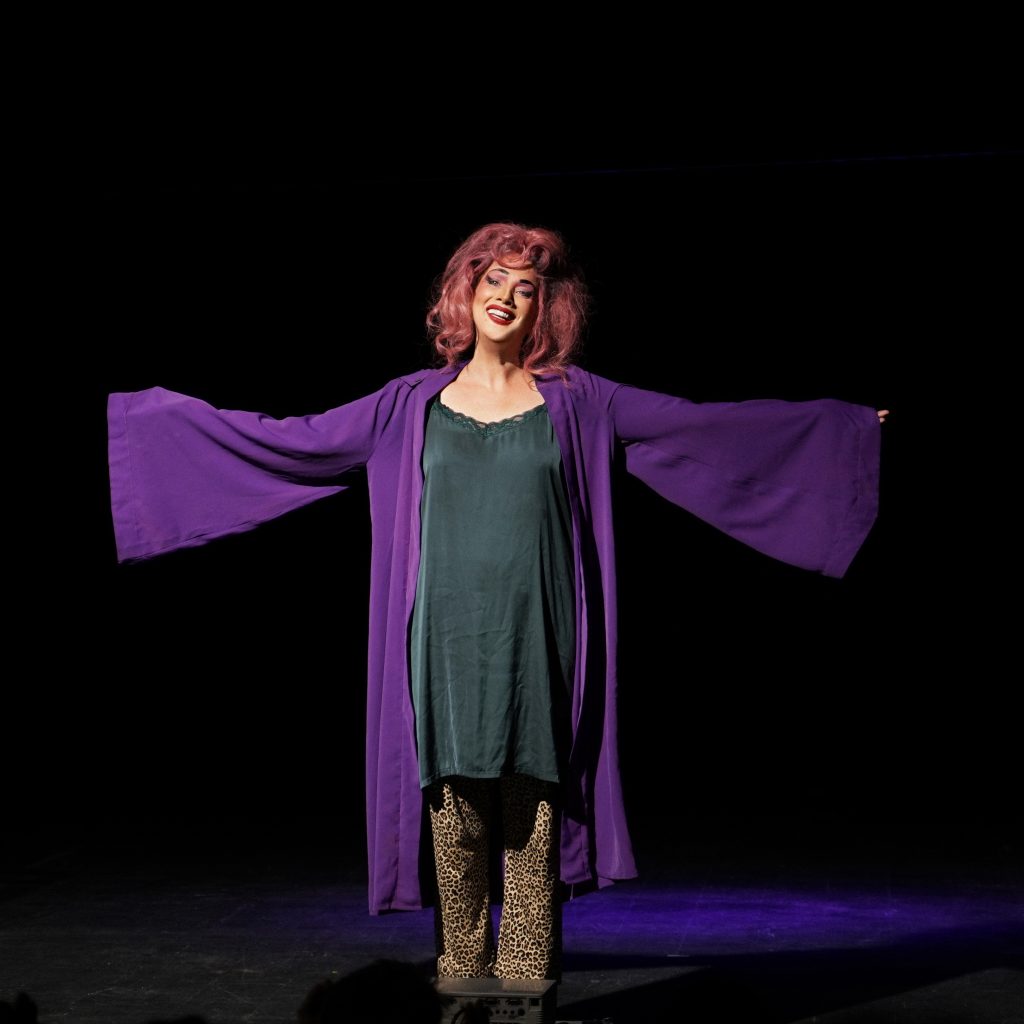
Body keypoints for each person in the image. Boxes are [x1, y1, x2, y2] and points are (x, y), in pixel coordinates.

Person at [107, 222, 887, 984]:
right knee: (455, 796)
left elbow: (703, 426)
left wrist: (840, 431)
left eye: (526, 287)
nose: (507, 296)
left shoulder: (581, 401)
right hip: (441, 634)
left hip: (540, 628)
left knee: (531, 796)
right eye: (494, 280)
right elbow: (291, 439)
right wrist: (151, 423)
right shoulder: (406, 404)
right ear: (467, 291)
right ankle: (462, 964)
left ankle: (526, 965)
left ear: (545, 308)